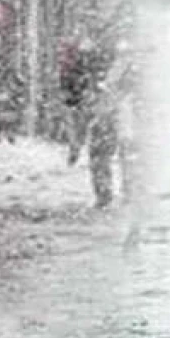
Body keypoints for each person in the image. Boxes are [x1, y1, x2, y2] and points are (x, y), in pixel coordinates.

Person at [60, 26, 137, 209]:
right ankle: (121, 193)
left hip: (111, 105)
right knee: (121, 151)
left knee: (109, 151)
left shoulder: (88, 56)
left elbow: (74, 97)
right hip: (113, 105)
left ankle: (111, 194)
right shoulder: (115, 53)